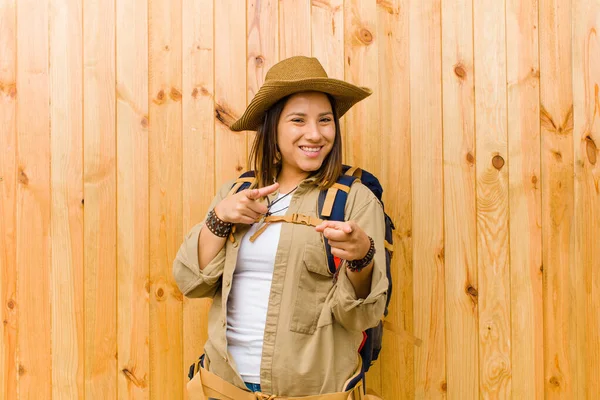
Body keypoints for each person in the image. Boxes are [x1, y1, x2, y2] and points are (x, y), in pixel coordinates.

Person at [174, 56, 388, 400]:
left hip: (314, 393)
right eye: (298, 120)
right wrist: (219, 217)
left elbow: (360, 316)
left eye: (325, 120)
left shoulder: (355, 200)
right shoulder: (236, 192)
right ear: (272, 126)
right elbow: (189, 282)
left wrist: (362, 258)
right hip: (223, 388)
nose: (315, 134)